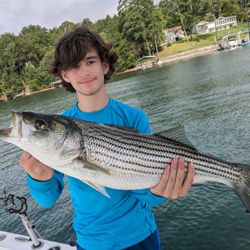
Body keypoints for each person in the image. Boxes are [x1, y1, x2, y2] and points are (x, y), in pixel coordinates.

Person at [19, 27, 195, 250]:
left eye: (90, 61)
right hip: (91, 241)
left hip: (140, 236)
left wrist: (160, 191)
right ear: (65, 75)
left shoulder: (133, 117)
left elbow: (145, 194)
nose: (83, 72)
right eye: (74, 66)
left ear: (105, 65)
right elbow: (47, 199)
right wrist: (38, 178)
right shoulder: (59, 127)